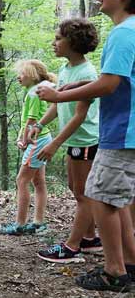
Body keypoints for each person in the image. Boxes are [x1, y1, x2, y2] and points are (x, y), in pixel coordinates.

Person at [37, 0, 135, 291]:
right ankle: (129, 265)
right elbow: (113, 79)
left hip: (121, 130)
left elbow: (109, 85)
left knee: (98, 196)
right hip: (125, 130)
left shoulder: (123, 33)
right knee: (113, 198)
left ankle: (113, 271)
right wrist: (74, 85)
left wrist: (60, 94)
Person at [34, 18, 101, 263]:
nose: (54, 43)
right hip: (75, 142)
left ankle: (72, 247)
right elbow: (57, 102)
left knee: (83, 195)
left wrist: (55, 143)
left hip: (85, 141)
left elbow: (79, 116)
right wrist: (39, 125)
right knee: (76, 189)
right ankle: (90, 237)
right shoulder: (65, 69)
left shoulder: (87, 72)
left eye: (58, 38)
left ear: (73, 42)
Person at [0, 60, 57, 235]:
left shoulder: (33, 94)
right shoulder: (36, 91)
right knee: (38, 181)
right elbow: (29, 121)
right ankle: (38, 222)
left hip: (36, 141)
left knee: (21, 180)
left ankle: (20, 224)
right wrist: (20, 136)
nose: (19, 77)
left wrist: (24, 142)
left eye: (22, 74)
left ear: (32, 75)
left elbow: (31, 122)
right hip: (43, 137)